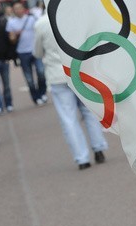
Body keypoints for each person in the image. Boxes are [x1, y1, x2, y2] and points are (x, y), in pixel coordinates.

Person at [33, 11, 108, 170]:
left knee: (68, 119)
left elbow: (37, 52)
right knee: (89, 112)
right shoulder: (72, 15)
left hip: (57, 75)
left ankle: (82, 159)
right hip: (79, 72)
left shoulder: (41, 23)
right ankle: (99, 148)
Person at [7, 2, 47, 105]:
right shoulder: (11, 22)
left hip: (35, 50)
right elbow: (11, 40)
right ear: (13, 11)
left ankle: (42, 93)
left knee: (41, 72)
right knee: (29, 78)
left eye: (19, 8)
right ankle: (35, 97)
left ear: (23, 9)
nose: (18, 10)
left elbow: (39, 32)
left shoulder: (32, 19)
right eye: (15, 9)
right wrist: (14, 35)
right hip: (22, 53)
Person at [0, 6, 15, 114]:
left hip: (4, 59)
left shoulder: (3, 22)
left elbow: (9, 41)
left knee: (6, 84)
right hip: (2, 59)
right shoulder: (4, 22)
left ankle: (8, 104)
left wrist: (9, 56)